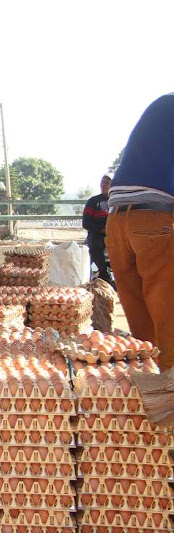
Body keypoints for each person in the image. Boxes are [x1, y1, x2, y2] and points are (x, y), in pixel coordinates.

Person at [107, 92, 174, 371]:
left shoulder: (163, 104)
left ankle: (149, 394)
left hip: (117, 222)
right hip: (152, 219)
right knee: (168, 319)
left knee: (143, 331)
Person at [82, 174, 113, 286]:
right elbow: (86, 223)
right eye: (102, 183)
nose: (103, 185)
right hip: (97, 236)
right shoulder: (93, 201)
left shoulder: (116, 202)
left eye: (106, 183)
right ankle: (104, 274)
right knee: (95, 245)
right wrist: (101, 229)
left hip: (115, 235)